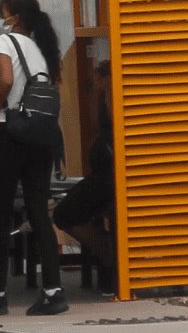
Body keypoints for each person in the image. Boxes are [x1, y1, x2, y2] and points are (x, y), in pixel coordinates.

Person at [0, 0, 69, 316]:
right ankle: (53, 291)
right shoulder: (41, 49)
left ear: (14, 17)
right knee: (39, 212)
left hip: (8, 133)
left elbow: (6, 80)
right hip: (40, 134)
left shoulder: (3, 42)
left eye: (3, 14)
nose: (0, 19)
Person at [54, 60, 116, 297]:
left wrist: (107, 88)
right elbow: (93, 123)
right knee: (69, 212)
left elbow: (112, 119)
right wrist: (97, 91)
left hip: (109, 176)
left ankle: (110, 257)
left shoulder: (113, 96)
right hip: (102, 174)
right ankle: (109, 254)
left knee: (67, 213)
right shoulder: (100, 100)